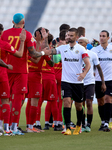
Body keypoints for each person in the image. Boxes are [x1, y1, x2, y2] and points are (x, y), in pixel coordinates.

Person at [1, 13, 48, 135]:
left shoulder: (4, 34)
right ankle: (14, 127)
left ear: (12, 21)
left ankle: (5, 126)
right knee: (17, 99)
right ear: (23, 22)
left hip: (6, 69)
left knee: (6, 99)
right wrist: (43, 49)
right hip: (21, 71)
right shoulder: (26, 34)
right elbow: (34, 55)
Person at [43, 28, 91, 135]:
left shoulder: (81, 49)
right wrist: (46, 39)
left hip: (78, 82)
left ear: (76, 37)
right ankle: (67, 127)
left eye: (71, 35)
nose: (68, 37)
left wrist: (83, 74)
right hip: (66, 81)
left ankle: (79, 125)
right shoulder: (62, 48)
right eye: (67, 35)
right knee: (66, 102)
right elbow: (50, 51)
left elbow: (88, 64)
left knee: (79, 106)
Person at [0, 23, 26, 136]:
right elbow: (20, 54)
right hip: (2, 75)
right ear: (1, 32)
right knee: (5, 100)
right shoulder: (4, 44)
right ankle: (5, 129)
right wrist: (22, 41)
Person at [78, 37, 106, 132]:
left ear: (86, 44)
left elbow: (99, 68)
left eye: (81, 42)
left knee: (89, 102)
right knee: (81, 105)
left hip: (90, 82)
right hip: (79, 82)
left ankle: (88, 125)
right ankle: (82, 123)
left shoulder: (92, 54)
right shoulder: (76, 54)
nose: (79, 44)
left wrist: (103, 83)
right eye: (78, 42)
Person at [91, 30, 112, 132]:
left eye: (104, 36)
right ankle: (103, 121)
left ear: (108, 38)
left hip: (110, 79)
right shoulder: (95, 50)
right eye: (100, 36)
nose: (102, 38)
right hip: (98, 80)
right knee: (100, 102)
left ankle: (107, 122)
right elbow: (91, 63)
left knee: (108, 99)